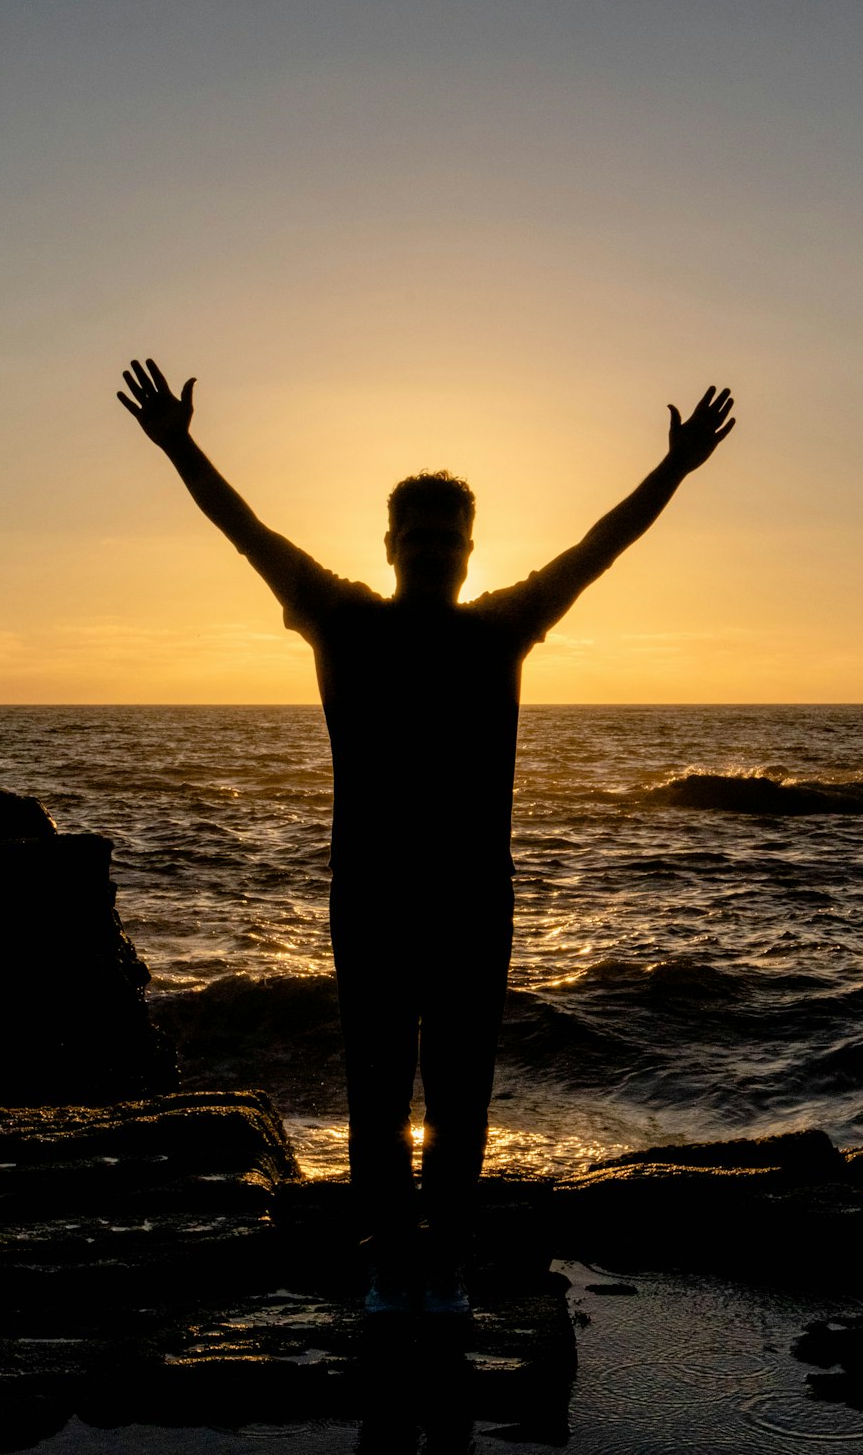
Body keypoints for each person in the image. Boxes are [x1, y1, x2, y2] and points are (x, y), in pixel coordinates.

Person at [118, 358, 735, 1313]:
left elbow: (598, 545)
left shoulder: (504, 624)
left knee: (459, 1094)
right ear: (393, 543)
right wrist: (180, 446)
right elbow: (248, 532)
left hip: (474, 899)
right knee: (374, 1088)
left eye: (452, 535)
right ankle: (386, 1262)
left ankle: (442, 1262)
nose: (438, 546)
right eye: (422, 533)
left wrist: (676, 470)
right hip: (369, 894)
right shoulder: (341, 616)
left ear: (471, 548)